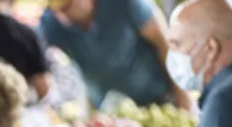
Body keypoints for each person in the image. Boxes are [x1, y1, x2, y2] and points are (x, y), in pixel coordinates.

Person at [39, 0, 192, 109]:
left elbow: (165, 45)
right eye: (56, 10)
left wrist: (183, 97)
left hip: (157, 101)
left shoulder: (126, 3)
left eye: (67, 6)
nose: (61, 15)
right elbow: (35, 53)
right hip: (110, 112)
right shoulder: (52, 24)